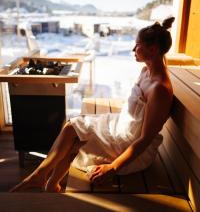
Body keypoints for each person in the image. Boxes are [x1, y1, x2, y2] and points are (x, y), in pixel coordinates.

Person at [11, 16, 175, 193]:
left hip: (130, 145)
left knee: (77, 138)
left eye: (138, 45)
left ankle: (43, 180)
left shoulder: (160, 89)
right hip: (120, 127)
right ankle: (46, 180)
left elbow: (145, 139)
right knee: (72, 127)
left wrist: (112, 167)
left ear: (153, 49)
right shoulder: (146, 71)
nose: (133, 49)